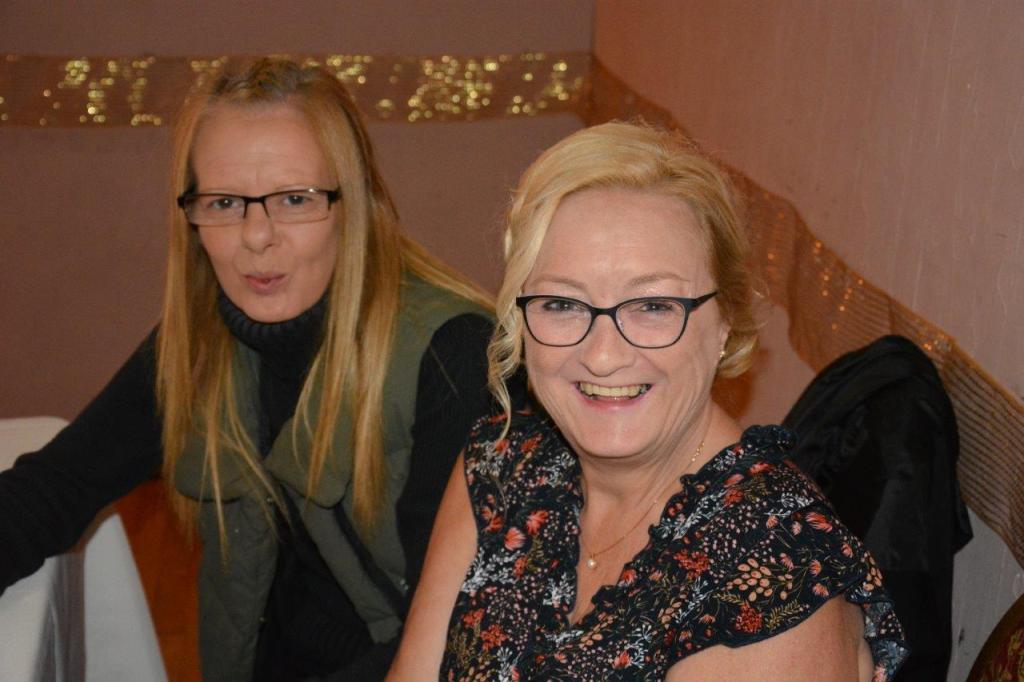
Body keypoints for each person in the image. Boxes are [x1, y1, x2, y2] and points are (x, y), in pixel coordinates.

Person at [0, 57, 504, 681]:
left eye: (295, 199)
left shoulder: (453, 357)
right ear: (191, 219)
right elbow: (55, 488)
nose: (257, 237)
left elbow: (459, 629)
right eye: (224, 202)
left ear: (355, 205)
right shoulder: (202, 341)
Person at [388, 122, 909, 680]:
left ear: (726, 322)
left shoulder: (772, 581)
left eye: (654, 306)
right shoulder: (506, 461)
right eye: (562, 304)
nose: (603, 356)